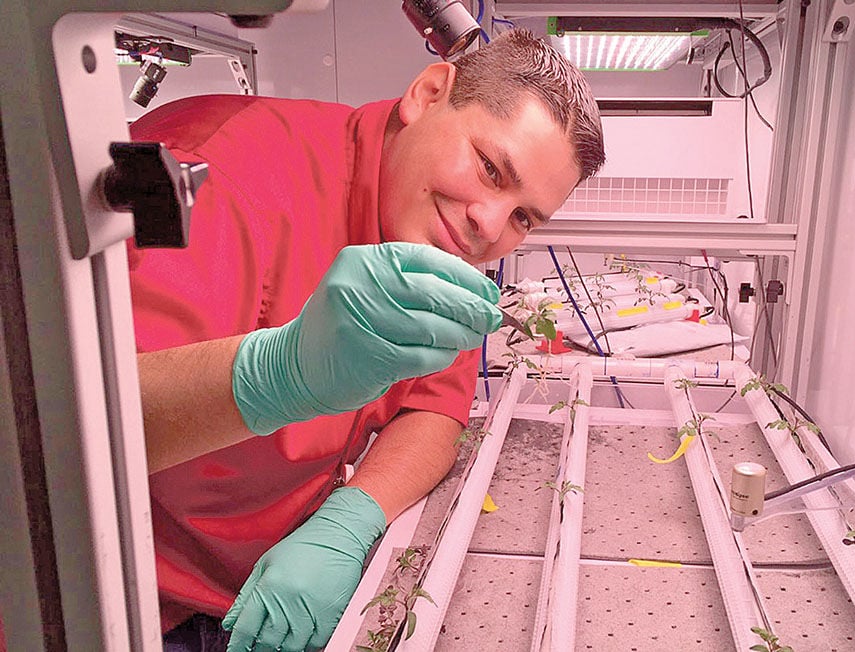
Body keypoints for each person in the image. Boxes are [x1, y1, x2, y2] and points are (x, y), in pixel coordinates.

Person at [132, 28, 604, 652]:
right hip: (129, 597)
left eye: (523, 217)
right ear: (430, 92)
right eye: (490, 169)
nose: (490, 224)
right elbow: (66, 432)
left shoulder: (438, 239)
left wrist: (349, 522)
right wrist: (279, 374)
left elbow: (436, 407)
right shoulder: (194, 163)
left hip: (272, 580)